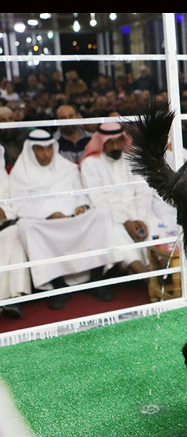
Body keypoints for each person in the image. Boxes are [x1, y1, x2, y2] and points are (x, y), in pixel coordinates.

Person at [9, 130, 117, 310]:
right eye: (39, 150)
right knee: (25, 228)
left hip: (74, 218)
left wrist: (81, 206)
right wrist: (50, 214)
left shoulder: (67, 168)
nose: (46, 154)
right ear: (31, 151)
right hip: (44, 223)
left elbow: (80, 194)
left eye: (49, 149)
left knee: (103, 214)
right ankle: (59, 288)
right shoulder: (20, 174)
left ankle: (97, 280)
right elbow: (18, 206)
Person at [79, 123, 152, 278]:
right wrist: (126, 221)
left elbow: (143, 190)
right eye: (110, 143)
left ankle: (164, 277)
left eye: (118, 141)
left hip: (138, 210)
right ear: (101, 142)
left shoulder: (131, 158)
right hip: (111, 215)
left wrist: (139, 217)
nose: (115, 146)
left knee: (156, 227)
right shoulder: (90, 163)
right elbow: (97, 199)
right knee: (116, 235)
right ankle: (149, 279)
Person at [0, 145, 30, 318]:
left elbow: (15, 205)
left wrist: (5, 213)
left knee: (14, 233)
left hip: (5, 224)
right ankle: (12, 297)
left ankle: (14, 298)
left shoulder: (4, 177)